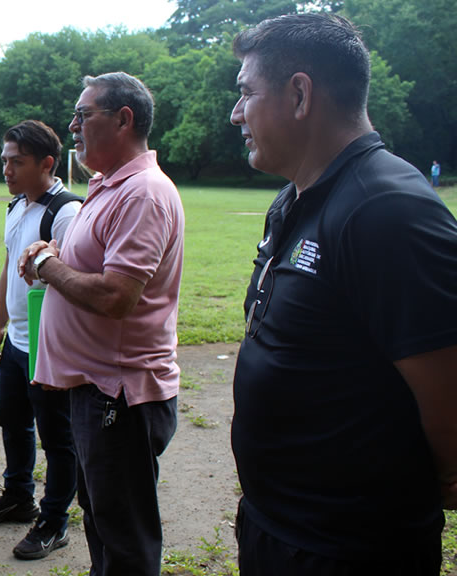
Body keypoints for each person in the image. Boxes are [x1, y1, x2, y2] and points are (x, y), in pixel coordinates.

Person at [228, 14, 457, 575]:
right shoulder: (295, 198)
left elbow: (450, 393)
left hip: (348, 550)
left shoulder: (386, 209)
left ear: (300, 94)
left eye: (246, 93)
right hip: (276, 528)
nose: (236, 114)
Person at [19, 72, 184, 576]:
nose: (72, 126)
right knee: (103, 519)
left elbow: (116, 296)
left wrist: (48, 266)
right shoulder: (110, 186)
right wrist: (56, 252)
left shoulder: (142, 194)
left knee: (125, 535)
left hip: (120, 395)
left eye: (83, 114)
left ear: (124, 119)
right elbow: (95, 268)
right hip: (96, 389)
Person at [0, 120, 80, 560]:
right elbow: (7, 269)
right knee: (12, 420)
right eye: (5, 160)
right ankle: (19, 497)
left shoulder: (67, 212)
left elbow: (75, 284)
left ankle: (54, 522)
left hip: (48, 345)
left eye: (17, 162)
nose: (7, 169)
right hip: (17, 342)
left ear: (47, 163)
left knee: (58, 437)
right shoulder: (17, 207)